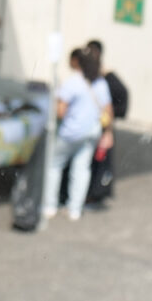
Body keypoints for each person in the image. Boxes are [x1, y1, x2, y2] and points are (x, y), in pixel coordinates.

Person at [43, 47, 113, 221]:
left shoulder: (73, 82)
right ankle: (75, 209)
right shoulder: (101, 83)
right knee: (81, 169)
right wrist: (108, 133)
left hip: (71, 133)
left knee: (54, 165)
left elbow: (60, 111)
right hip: (92, 132)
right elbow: (107, 109)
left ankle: (50, 206)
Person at [83, 39, 127, 207]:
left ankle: (96, 195)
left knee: (101, 163)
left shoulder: (105, 78)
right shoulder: (95, 76)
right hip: (99, 126)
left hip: (103, 127)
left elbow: (116, 101)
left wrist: (109, 125)